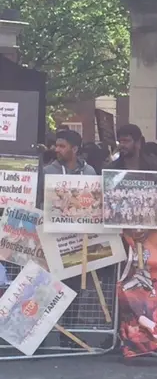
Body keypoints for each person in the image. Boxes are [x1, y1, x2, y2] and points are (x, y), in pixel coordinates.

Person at [42, 129, 96, 348]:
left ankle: (70, 332)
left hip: (77, 240)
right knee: (49, 286)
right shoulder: (47, 172)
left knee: (74, 287)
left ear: (75, 149)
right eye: (56, 145)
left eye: (62, 146)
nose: (57, 149)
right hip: (52, 239)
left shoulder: (90, 172)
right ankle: (41, 333)